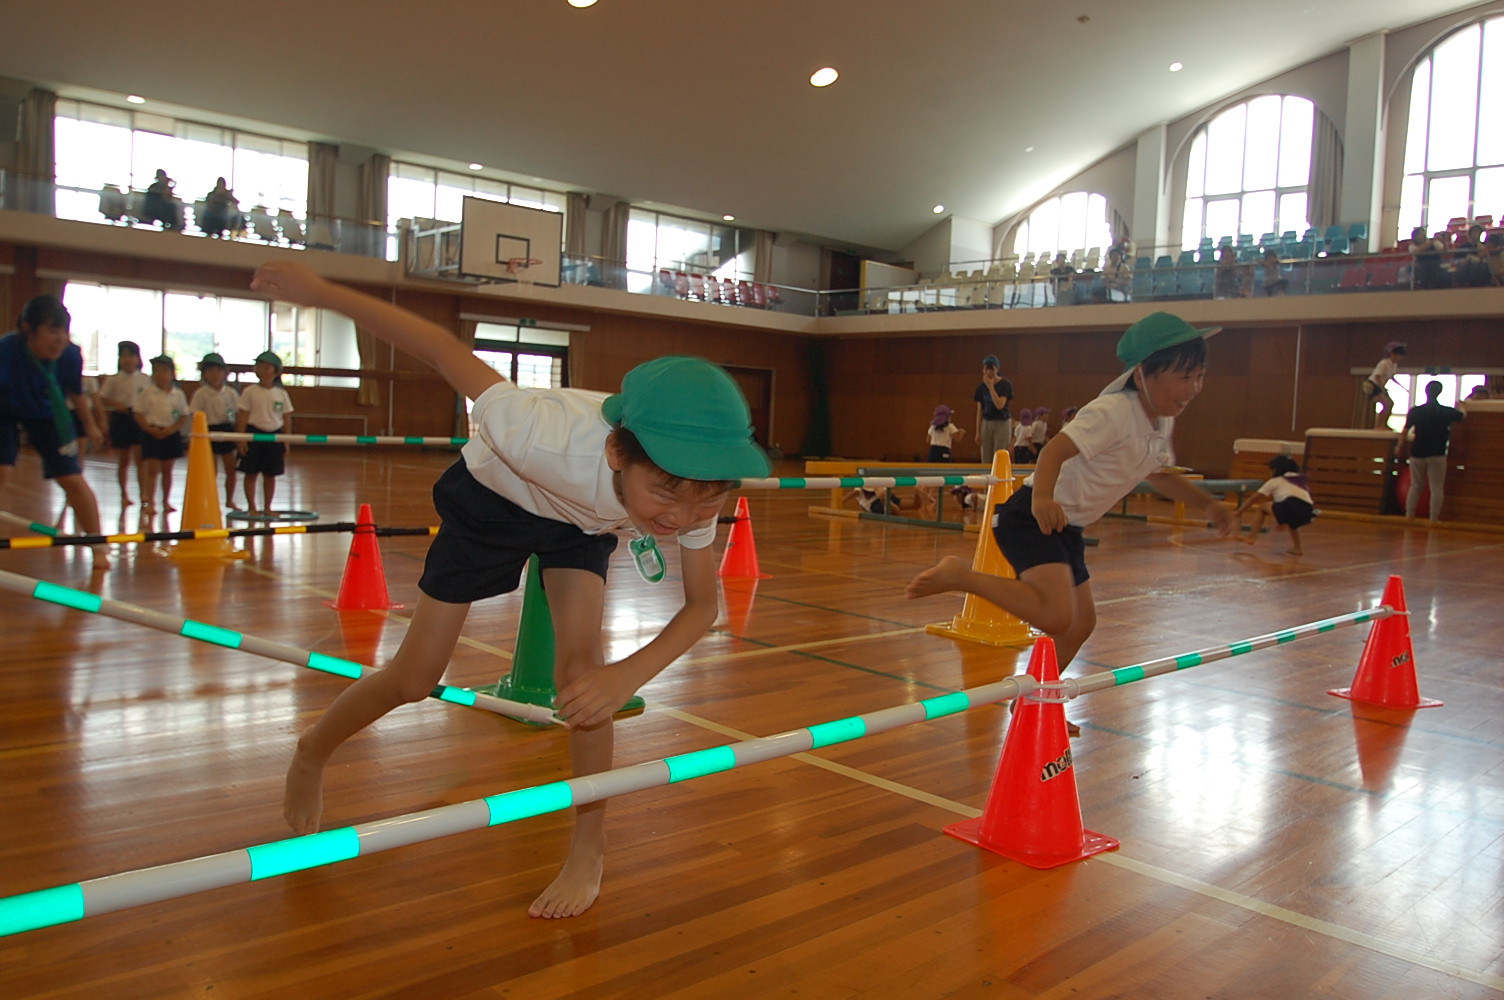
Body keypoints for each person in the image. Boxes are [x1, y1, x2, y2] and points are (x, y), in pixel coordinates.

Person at [248, 259, 770, 920]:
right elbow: (440, 348)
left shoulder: (697, 495)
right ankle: (311, 752)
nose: (681, 516)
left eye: (706, 500)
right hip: (492, 502)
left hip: (581, 526)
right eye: (665, 491)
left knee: (584, 684)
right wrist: (321, 292)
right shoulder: (534, 431)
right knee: (414, 677)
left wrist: (626, 675)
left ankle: (588, 848)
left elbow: (702, 606)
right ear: (618, 453)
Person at [906, 312, 1234, 736]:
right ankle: (962, 576)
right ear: (1145, 372)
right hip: (1031, 515)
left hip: (1067, 525)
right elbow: (1055, 450)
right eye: (1184, 376)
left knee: (1081, 624)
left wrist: (1207, 504)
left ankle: (1033, 705)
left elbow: (1157, 473)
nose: (1194, 388)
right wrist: (1042, 497)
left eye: (1200, 376)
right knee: (1059, 617)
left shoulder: (1159, 421)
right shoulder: (1115, 411)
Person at [0, 295, 109, 570]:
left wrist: (91, 425)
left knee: (73, 480)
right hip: (5, 410)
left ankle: (98, 547)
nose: (60, 339)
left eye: (64, 331)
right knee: (2, 472)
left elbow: (76, 392)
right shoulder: (7, 350)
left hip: (49, 414)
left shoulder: (70, 354)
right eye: (52, 331)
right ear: (28, 329)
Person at [235, 350, 294, 514]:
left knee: (270, 475)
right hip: (253, 433)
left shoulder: (281, 394)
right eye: (259, 366)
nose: (263, 370)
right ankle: (252, 507)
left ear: (275, 371)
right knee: (251, 473)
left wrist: (286, 441)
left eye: (267, 367)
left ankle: (268, 507)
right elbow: (242, 416)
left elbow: (287, 418)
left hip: (275, 435)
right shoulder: (249, 392)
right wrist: (241, 439)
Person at [1400, 380, 1465, 524]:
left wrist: (1400, 447)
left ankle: (1409, 516)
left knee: (1416, 485)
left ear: (1426, 392)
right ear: (1440, 392)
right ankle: (1433, 518)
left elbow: (1405, 431)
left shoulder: (1416, 411)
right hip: (1437, 453)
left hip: (1418, 452)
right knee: (1436, 487)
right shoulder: (1445, 412)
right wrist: (1461, 406)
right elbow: (1462, 416)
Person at [134, 355, 190, 515]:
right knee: (152, 470)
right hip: (152, 432)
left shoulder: (178, 394)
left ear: (172, 373)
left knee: (167, 470)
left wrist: (172, 429)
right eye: (156, 370)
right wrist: (149, 429)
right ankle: (150, 502)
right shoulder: (147, 392)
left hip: (170, 433)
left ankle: (166, 501)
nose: (160, 374)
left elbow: (184, 415)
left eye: (164, 370)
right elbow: (138, 413)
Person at [100, 340, 151, 507]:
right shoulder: (114, 379)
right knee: (123, 460)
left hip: (139, 418)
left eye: (131, 356)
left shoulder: (145, 379)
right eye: (123, 356)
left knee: (141, 459)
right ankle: (124, 495)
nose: (127, 360)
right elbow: (102, 397)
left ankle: (144, 495)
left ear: (138, 358)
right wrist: (116, 404)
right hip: (121, 418)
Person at [1233, 455, 1314, 556]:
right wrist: (1282, 519)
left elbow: (1255, 498)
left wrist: (1240, 511)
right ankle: (1298, 548)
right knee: (1293, 524)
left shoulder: (1276, 480)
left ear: (1275, 469)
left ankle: (1251, 537)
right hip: (1308, 511)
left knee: (1262, 507)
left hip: (1290, 505)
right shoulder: (1299, 480)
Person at [191, 352, 241, 508]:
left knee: (231, 469)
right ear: (204, 373)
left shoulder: (231, 393)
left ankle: (229, 499)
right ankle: (209, 499)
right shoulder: (201, 393)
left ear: (225, 373)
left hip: (227, 429)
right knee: (210, 470)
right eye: (210, 370)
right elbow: (195, 414)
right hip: (208, 430)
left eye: (218, 370)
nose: (215, 374)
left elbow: (238, 413)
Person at [973, 355, 1013, 462]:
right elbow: (979, 410)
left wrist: (991, 387)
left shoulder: (1005, 385)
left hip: (1002, 422)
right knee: (986, 455)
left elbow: (1000, 405)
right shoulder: (981, 388)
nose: (988, 372)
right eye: (986, 369)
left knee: (999, 454)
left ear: (997, 369)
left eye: (991, 369)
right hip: (987, 422)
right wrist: (978, 431)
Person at [1363, 341, 1405, 427]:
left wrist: (1401, 386)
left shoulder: (1394, 365)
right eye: (1399, 355)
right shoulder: (1384, 363)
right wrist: (1382, 388)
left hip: (1379, 385)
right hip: (1372, 385)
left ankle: (1383, 424)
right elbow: (1377, 376)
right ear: (1393, 354)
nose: (1400, 358)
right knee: (1387, 404)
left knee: (1390, 404)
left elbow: (1391, 376)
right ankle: (1379, 425)